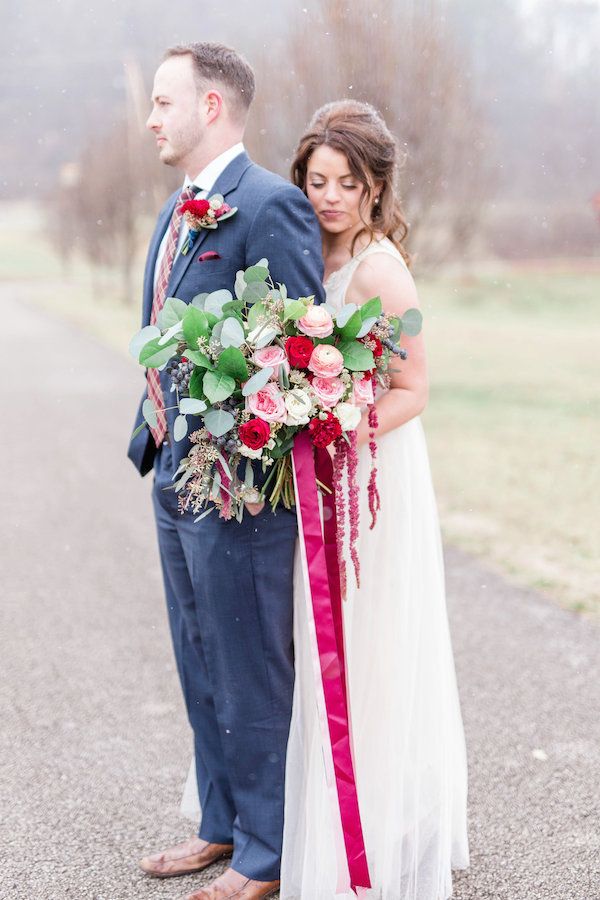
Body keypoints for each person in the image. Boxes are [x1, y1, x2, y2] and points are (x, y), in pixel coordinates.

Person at [128, 43, 324, 900]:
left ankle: (264, 854)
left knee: (249, 665)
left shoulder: (270, 207)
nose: (151, 117)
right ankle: (219, 823)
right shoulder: (180, 208)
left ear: (211, 108)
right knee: (198, 654)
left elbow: (303, 357)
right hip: (172, 470)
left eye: (164, 101)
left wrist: (240, 453)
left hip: (241, 491)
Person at [279, 100, 471, 899]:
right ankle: (329, 815)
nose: (329, 196)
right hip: (318, 482)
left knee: (371, 647)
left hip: (370, 484)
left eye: (346, 184)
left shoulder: (381, 269)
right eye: (318, 180)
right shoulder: (300, 249)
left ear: (375, 187)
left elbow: (415, 387)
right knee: (325, 652)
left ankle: (377, 828)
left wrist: (336, 428)